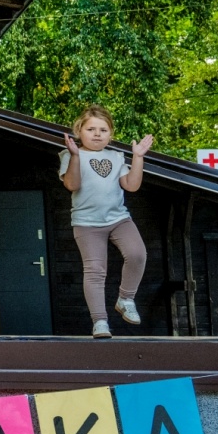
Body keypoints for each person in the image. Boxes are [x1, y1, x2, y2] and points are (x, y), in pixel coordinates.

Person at [60, 105, 151, 339]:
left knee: (137, 254)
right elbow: (72, 184)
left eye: (103, 130)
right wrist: (75, 156)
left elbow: (131, 185)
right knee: (95, 270)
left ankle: (126, 298)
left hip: (118, 218)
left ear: (111, 134)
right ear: (79, 131)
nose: (97, 134)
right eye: (91, 129)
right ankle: (100, 321)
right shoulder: (70, 155)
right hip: (87, 223)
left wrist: (138, 157)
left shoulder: (116, 156)